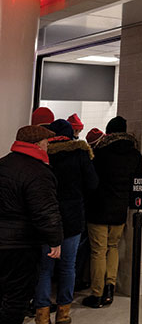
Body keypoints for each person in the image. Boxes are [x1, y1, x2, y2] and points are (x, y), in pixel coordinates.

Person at [33, 120, 99, 324]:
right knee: (68, 267)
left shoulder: (43, 155)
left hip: (46, 219)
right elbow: (93, 184)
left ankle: (42, 315)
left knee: (44, 269)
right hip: (72, 218)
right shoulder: (80, 154)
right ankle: (64, 313)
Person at [0, 125, 62, 324]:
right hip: (20, 245)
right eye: (45, 143)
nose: (47, 148)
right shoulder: (38, 172)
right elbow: (45, 211)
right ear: (36, 145)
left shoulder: (3, 164)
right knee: (16, 298)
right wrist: (55, 240)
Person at [83, 116, 142, 308]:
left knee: (98, 251)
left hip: (98, 208)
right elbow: (137, 183)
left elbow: (91, 182)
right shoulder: (135, 155)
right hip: (120, 209)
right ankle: (110, 288)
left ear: (109, 132)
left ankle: (97, 293)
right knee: (113, 247)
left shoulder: (100, 153)